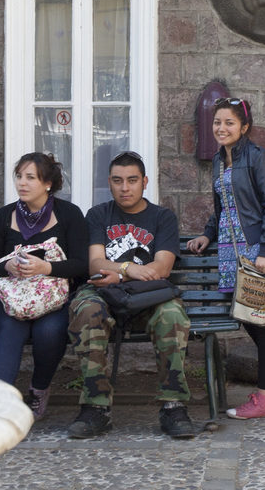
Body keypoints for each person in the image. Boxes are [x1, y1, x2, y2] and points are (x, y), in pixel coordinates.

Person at [187, 98, 265, 418]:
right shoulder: (218, 160)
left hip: (257, 249)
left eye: (229, 122)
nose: (221, 128)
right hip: (231, 250)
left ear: (244, 127)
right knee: (249, 320)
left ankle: (264, 399)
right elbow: (223, 206)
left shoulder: (256, 157)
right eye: (217, 122)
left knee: (261, 323)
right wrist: (207, 234)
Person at [67, 152, 199, 440]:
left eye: (131, 180)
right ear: (109, 183)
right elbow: (96, 264)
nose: (124, 187)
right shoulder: (98, 215)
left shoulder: (162, 217)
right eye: (117, 181)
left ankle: (173, 405)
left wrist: (122, 274)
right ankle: (95, 407)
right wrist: (131, 268)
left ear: (145, 182)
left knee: (172, 315)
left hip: (147, 295)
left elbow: (162, 268)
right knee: (86, 309)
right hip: (103, 291)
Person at [0, 153, 88, 420]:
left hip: (54, 298)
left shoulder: (69, 214)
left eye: (31, 177)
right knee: (10, 329)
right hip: (11, 298)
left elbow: (83, 265)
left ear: (48, 183)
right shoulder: (4, 217)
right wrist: (7, 267)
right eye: (19, 176)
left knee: (50, 332)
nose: (22, 183)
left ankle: (38, 390)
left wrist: (46, 268)